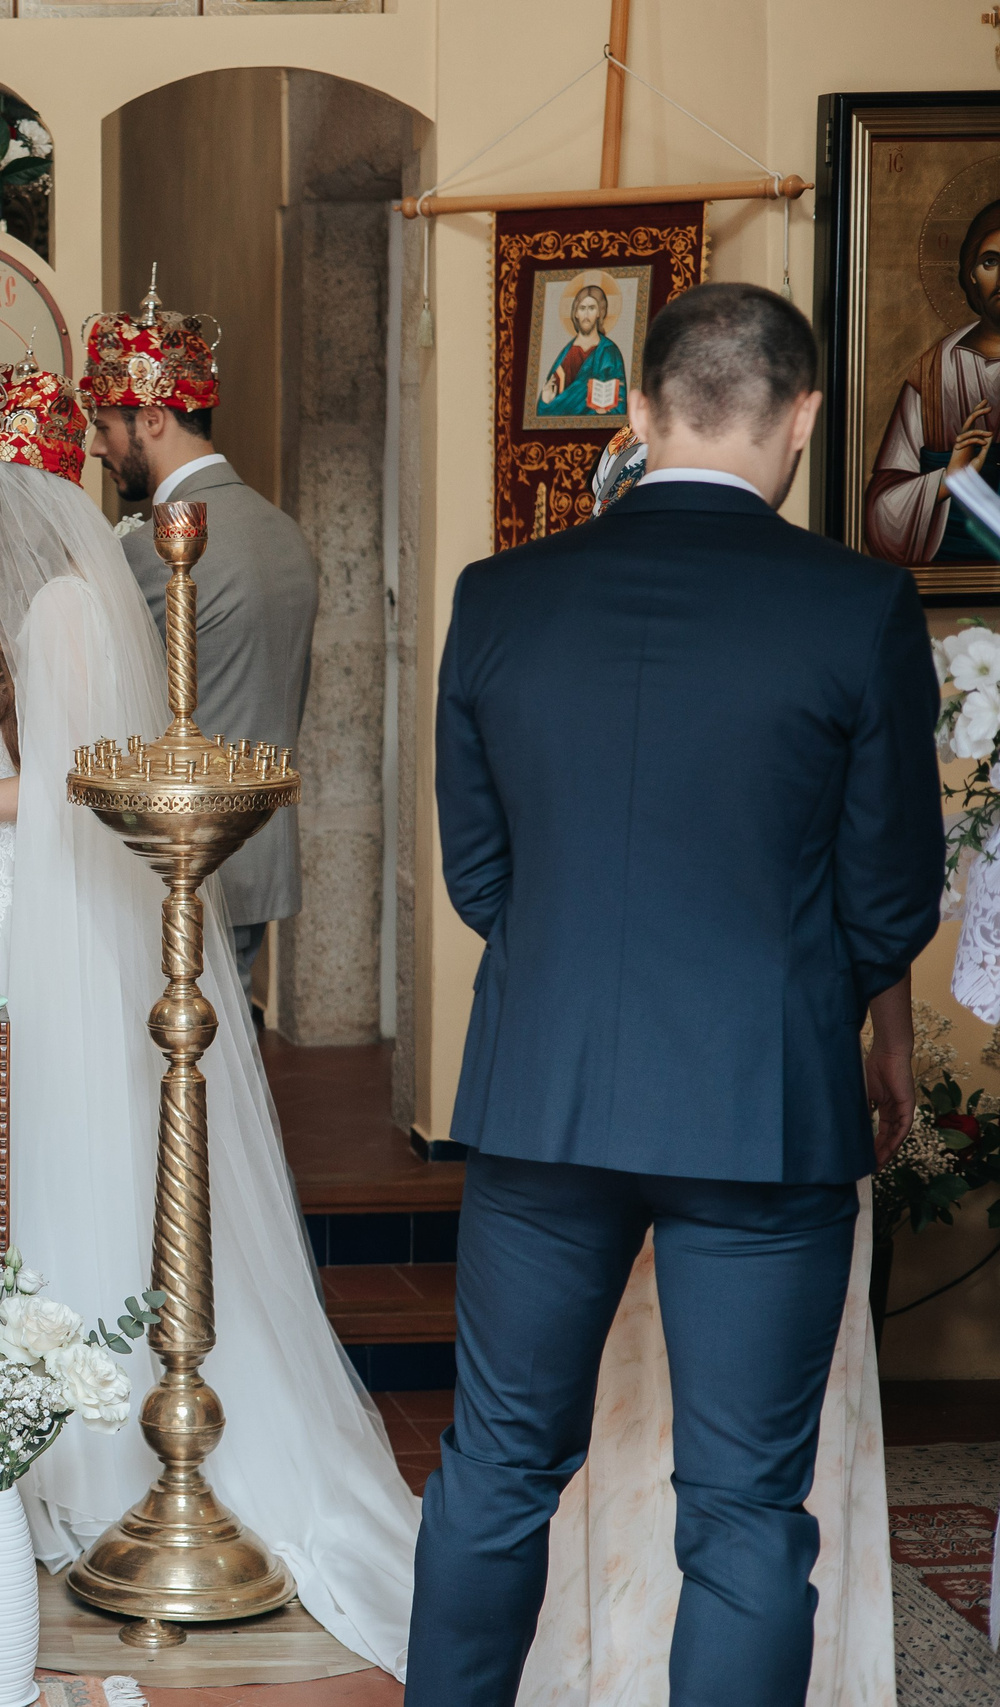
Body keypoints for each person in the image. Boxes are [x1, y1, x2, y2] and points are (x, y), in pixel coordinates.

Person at [0, 362, 421, 1677]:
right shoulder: (40, 599)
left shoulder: (70, 608)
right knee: (13, 1169)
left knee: (61, 1157)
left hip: (47, 909)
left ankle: (79, 1452)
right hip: (3, 907)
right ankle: (18, 1444)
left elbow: (62, 793)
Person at [413, 282, 938, 1706]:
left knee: (496, 1468)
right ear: (807, 417)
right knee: (746, 1511)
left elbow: (481, 876)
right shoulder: (860, 604)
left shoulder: (501, 595)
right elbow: (889, 899)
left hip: (545, 1092)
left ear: (635, 409)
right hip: (764, 1106)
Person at [83, 281, 316, 985]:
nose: (96, 445)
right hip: (259, 848)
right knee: (224, 1066)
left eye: (104, 424)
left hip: (182, 859)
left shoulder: (161, 543)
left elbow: (106, 698)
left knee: (174, 1067)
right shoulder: (285, 534)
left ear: (152, 417)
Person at [865, 196, 1000, 565]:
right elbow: (881, 514)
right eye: (991, 262)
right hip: (953, 558)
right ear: (971, 272)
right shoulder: (934, 370)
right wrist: (946, 478)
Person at [535, 276, 628, 418]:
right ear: (576, 314)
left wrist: (606, 412)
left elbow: (620, 409)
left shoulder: (609, 352)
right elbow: (544, 411)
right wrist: (545, 401)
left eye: (591, 308)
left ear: (599, 313)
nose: (586, 314)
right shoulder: (567, 353)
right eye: (582, 308)